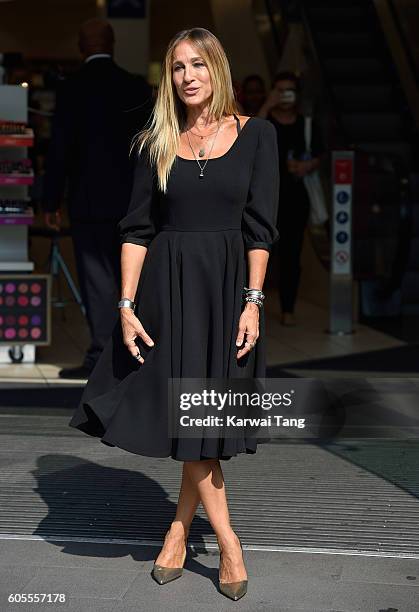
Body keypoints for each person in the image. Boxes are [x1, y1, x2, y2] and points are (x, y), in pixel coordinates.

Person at [68, 27, 279, 601]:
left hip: (229, 292)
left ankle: (179, 531)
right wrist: (127, 305)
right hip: (169, 293)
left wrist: (253, 303)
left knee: (205, 418)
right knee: (195, 419)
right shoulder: (156, 141)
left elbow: (261, 229)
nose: (187, 76)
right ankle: (230, 541)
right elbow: (136, 230)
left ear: (217, 69)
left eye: (198, 65)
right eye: (178, 67)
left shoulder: (258, 136)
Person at [42, 18, 153, 378]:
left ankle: (100, 357)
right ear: (113, 43)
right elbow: (150, 147)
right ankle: (135, 353)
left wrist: (50, 201)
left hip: (88, 201)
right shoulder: (135, 87)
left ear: (80, 46)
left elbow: (59, 150)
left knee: (96, 280)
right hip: (133, 201)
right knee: (132, 278)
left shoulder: (72, 88)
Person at [259, 71, 323, 326]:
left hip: (296, 197)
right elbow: (246, 139)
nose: (285, 95)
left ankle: (288, 308)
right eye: (280, 90)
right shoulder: (265, 122)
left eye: (290, 90)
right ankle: (251, 307)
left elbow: (319, 153)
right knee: (262, 251)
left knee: (292, 254)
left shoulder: (306, 124)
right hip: (266, 197)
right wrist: (267, 105)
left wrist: (306, 166)